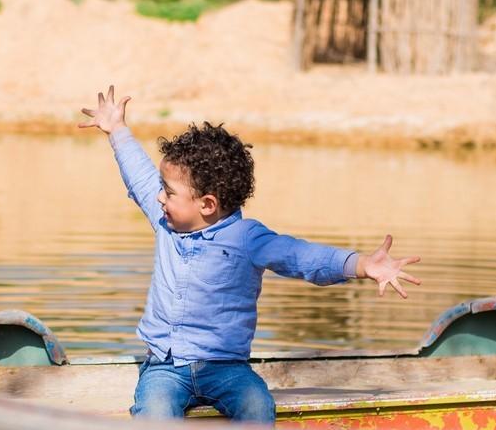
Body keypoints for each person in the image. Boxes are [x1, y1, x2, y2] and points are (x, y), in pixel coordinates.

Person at [78, 86, 421, 424]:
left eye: (168, 192)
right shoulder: (167, 221)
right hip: (165, 366)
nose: (158, 198)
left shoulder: (246, 238)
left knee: (257, 406)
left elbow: (302, 257)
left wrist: (361, 264)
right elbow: (139, 175)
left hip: (225, 366)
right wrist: (117, 130)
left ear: (207, 204)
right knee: (154, 414)